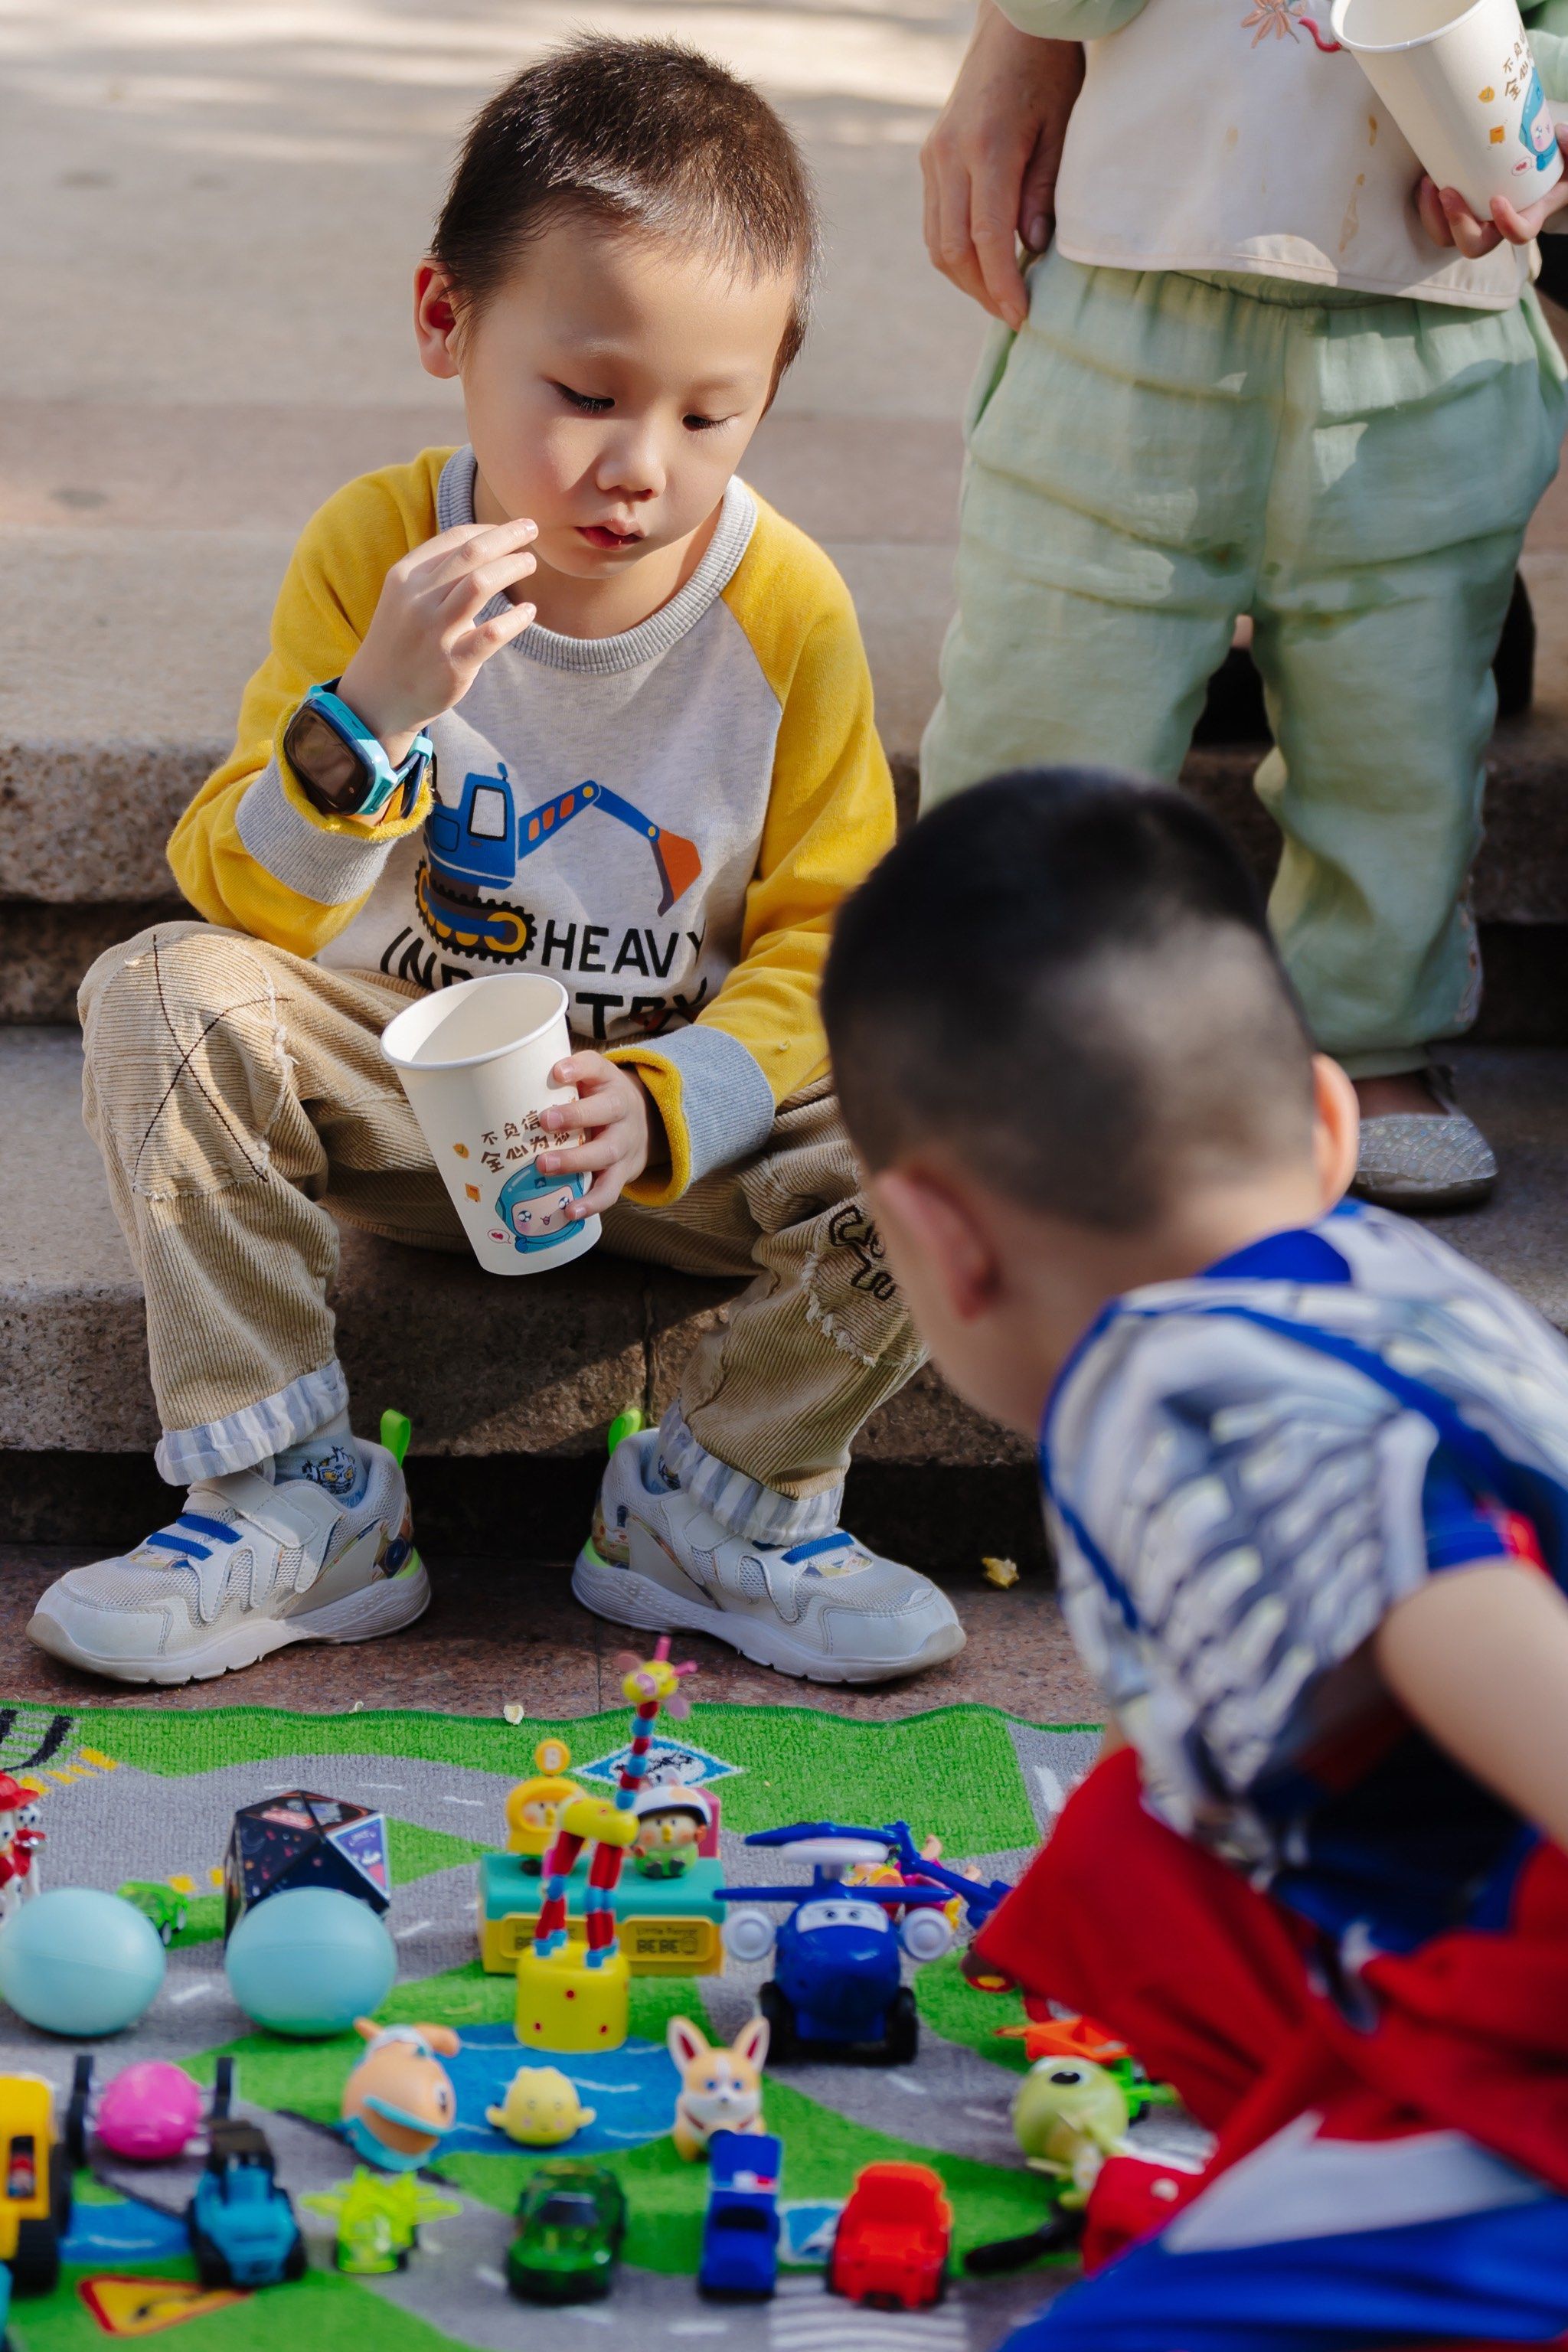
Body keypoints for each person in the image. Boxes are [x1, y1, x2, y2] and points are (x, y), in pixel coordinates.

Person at [29, 37, 964, 1692]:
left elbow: (835, 942)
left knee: (965, 1090)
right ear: (446, 324)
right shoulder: (378, 554)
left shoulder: (789, 611)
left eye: (708, 412)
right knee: (156, 991)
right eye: (587, 394)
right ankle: (292, 1496)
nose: (639, 465)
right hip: (405, 1090)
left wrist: (673, 1094)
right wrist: (368, 715)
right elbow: (233, 899)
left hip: (667, 1143)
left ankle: (720, 1501)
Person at [822, 766, 1568, 2347]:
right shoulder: (1383, 1280)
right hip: (1456, 1896)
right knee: (1137, 1825)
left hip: (1527, 2068)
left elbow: (1483, 1635)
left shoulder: (1183, 1395)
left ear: (937, 1240)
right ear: (1324, 1119)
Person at [917, 0, 1568, 1214]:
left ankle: (1364, 1040)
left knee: (1402, 734)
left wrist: (1548, 119)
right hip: (1131, 298)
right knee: (1045, 694)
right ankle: (1008, 1021)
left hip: (1430, 323)